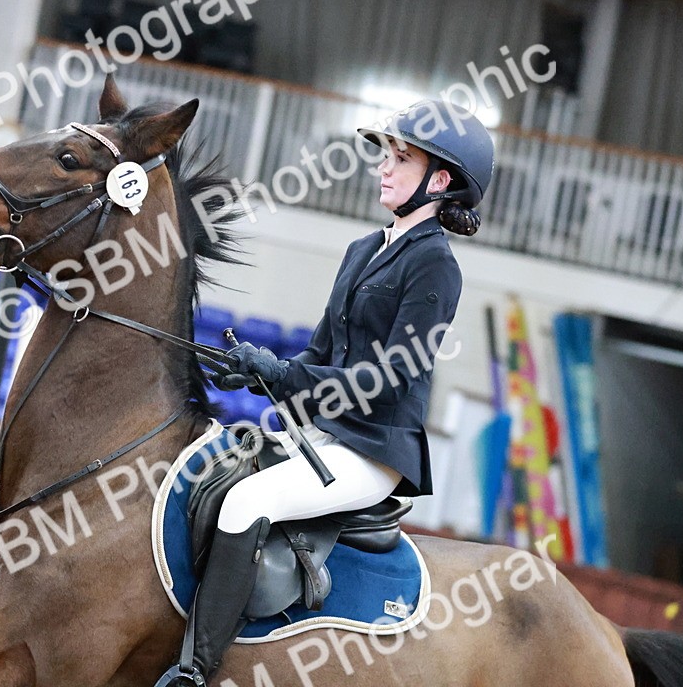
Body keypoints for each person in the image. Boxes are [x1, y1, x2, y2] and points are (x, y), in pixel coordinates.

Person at [155, 99, 495, 687]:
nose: (383, 168)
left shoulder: (437, 266)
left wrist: (283, 375)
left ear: (440, 181)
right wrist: (256, 371)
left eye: (402, 158)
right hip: (324, 433)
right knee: (211, 479)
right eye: (385, 155)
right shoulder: (363, 249)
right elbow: (318, 354)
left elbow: (389, 376)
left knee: (246, 505)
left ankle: (195, 672)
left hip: (373, 449)